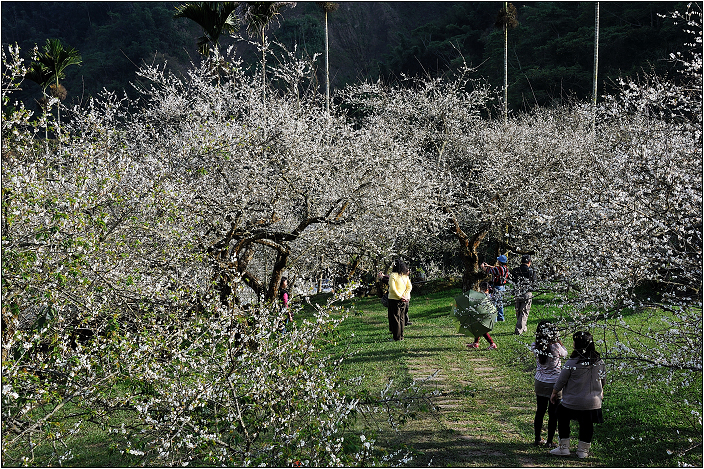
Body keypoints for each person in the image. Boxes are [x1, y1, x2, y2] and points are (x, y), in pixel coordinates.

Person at [549, 331, 606, 459]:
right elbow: (603, 379)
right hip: (593, 402)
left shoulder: (572, 363)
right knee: (587, 424)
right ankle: (583, 451)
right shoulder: (599, 362)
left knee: (561, 415)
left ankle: (564, 447)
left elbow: (561, 381)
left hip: (573, 402)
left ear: (577, 345)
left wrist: (554, 393)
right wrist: (600, 390)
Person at [531, 320, 568, 447]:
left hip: (540, 381)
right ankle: (549, 441)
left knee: (540, 411)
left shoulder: (535, 346)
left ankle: (537, 438)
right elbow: (565, 353)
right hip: (555, 384)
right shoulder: (556, 346)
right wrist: (559, 342)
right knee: (553, 413)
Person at [466, 281, 498, 350]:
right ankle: (475, 343)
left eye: (481, 289)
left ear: (486, 290)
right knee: (477, 328)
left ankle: (492, 344)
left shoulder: (483, 296)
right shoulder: (489, 295)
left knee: (482, 330)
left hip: (484, 315)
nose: (480, 290)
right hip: (486, 315)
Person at [387, 260, 412, 341]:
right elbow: (409, 287)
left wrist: (400, 296)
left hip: (394, 299)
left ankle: (397, 337)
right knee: (401, 318)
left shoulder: (393, 275)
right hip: (404, 300)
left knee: (395, 318)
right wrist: (404, 296)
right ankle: (401, 336)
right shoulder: (405, 276)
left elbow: (393, 288)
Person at [512, 254, 537, 335]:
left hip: (517, 292)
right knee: (524, 311)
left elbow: (513, 281)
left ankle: (523, 327)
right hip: (527, 292)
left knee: (518, 311)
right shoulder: (531, 271)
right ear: (529, 262)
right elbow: (534, 284)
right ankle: (519, 329)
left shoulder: (515, 270)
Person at [481, 255, 509, 321]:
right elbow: (495, 268)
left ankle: (494, 319)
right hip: (503, 287)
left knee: (494, 302)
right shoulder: (505, 268)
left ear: (500, 262)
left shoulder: (498, 269)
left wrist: (483, 267)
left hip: (497, 286)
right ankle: (501, 317)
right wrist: (489, 266)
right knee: (500, 302)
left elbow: (488, 271)